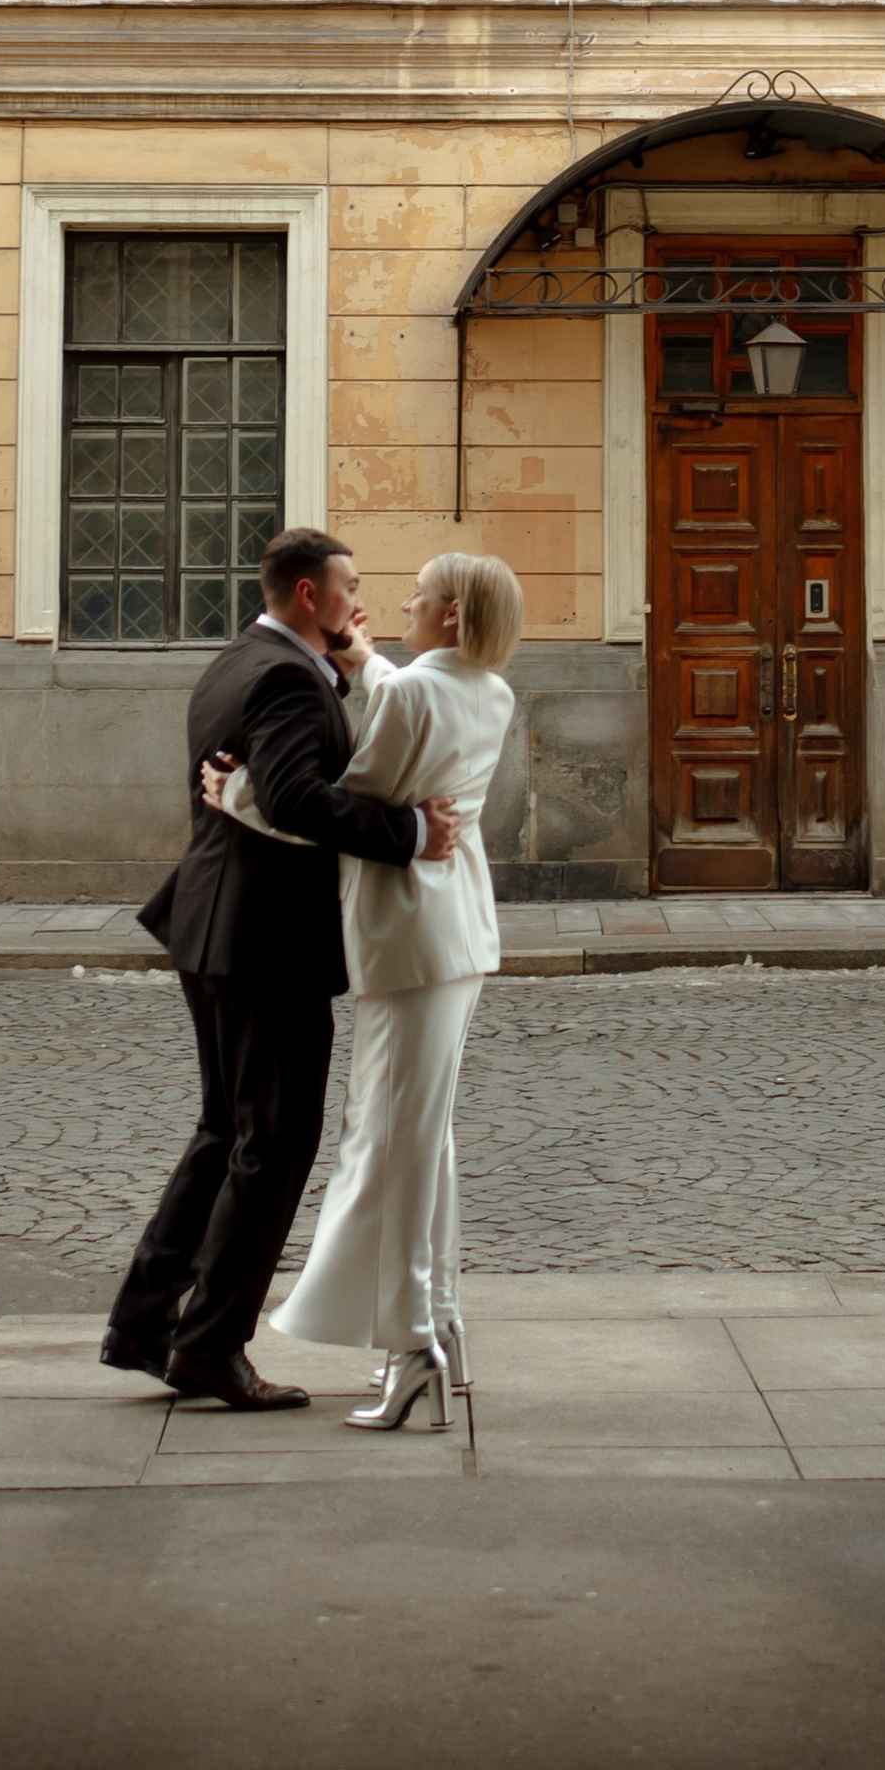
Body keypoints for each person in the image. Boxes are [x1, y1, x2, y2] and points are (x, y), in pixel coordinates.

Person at [101, 528, 461, 1411]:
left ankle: (145, 1323)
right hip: (266, 940)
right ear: (309, 594)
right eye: (349, 585)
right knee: (275, 1142)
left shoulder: (243, 659)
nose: (359, 598)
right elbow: (299, 795)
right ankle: (211, 1344)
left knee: (225, 1130)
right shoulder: (288, 678)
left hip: (212, 923)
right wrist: (412, 833)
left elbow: (263, 784)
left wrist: (349, 666)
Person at [250, 550, 521, 1433]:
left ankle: (412, 1349)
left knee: (389, 1142)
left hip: (406, 937)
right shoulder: (491, 689)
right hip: (461, 934)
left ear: (449, 613)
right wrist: (369, 665)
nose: (400, 601)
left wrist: (237, 797)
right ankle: (441, 1323)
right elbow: (415, 697)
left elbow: (343, 805)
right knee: (426, 1135)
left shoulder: (410, 695)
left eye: (419, 593)